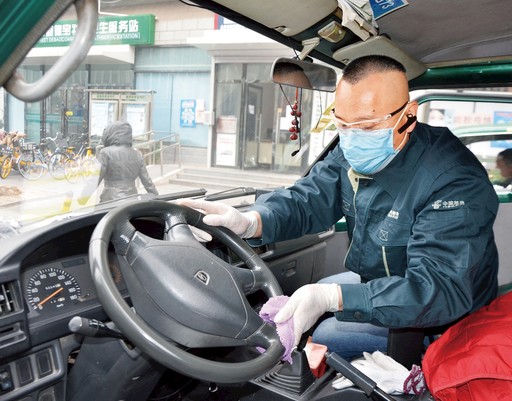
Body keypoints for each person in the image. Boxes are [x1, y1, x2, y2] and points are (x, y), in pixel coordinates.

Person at [181, 55, 499, 360]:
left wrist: (334, 299)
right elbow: (310, 197)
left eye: (367, 126)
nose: (353, 138)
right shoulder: (355, 149)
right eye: (343, 124)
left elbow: (439, 289)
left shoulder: (454, 181)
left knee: (325, 333)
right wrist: (252, 221)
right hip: (377, 282)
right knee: (316, 294)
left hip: (443, 322)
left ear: (408, 116)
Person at [96, 121, 158, 202]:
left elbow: (96, 179)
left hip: (111, 200)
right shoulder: (137, 154)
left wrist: (82, 199)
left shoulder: (105, 152)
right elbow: (147, 182)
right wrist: (158, 199)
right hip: (132, 199)